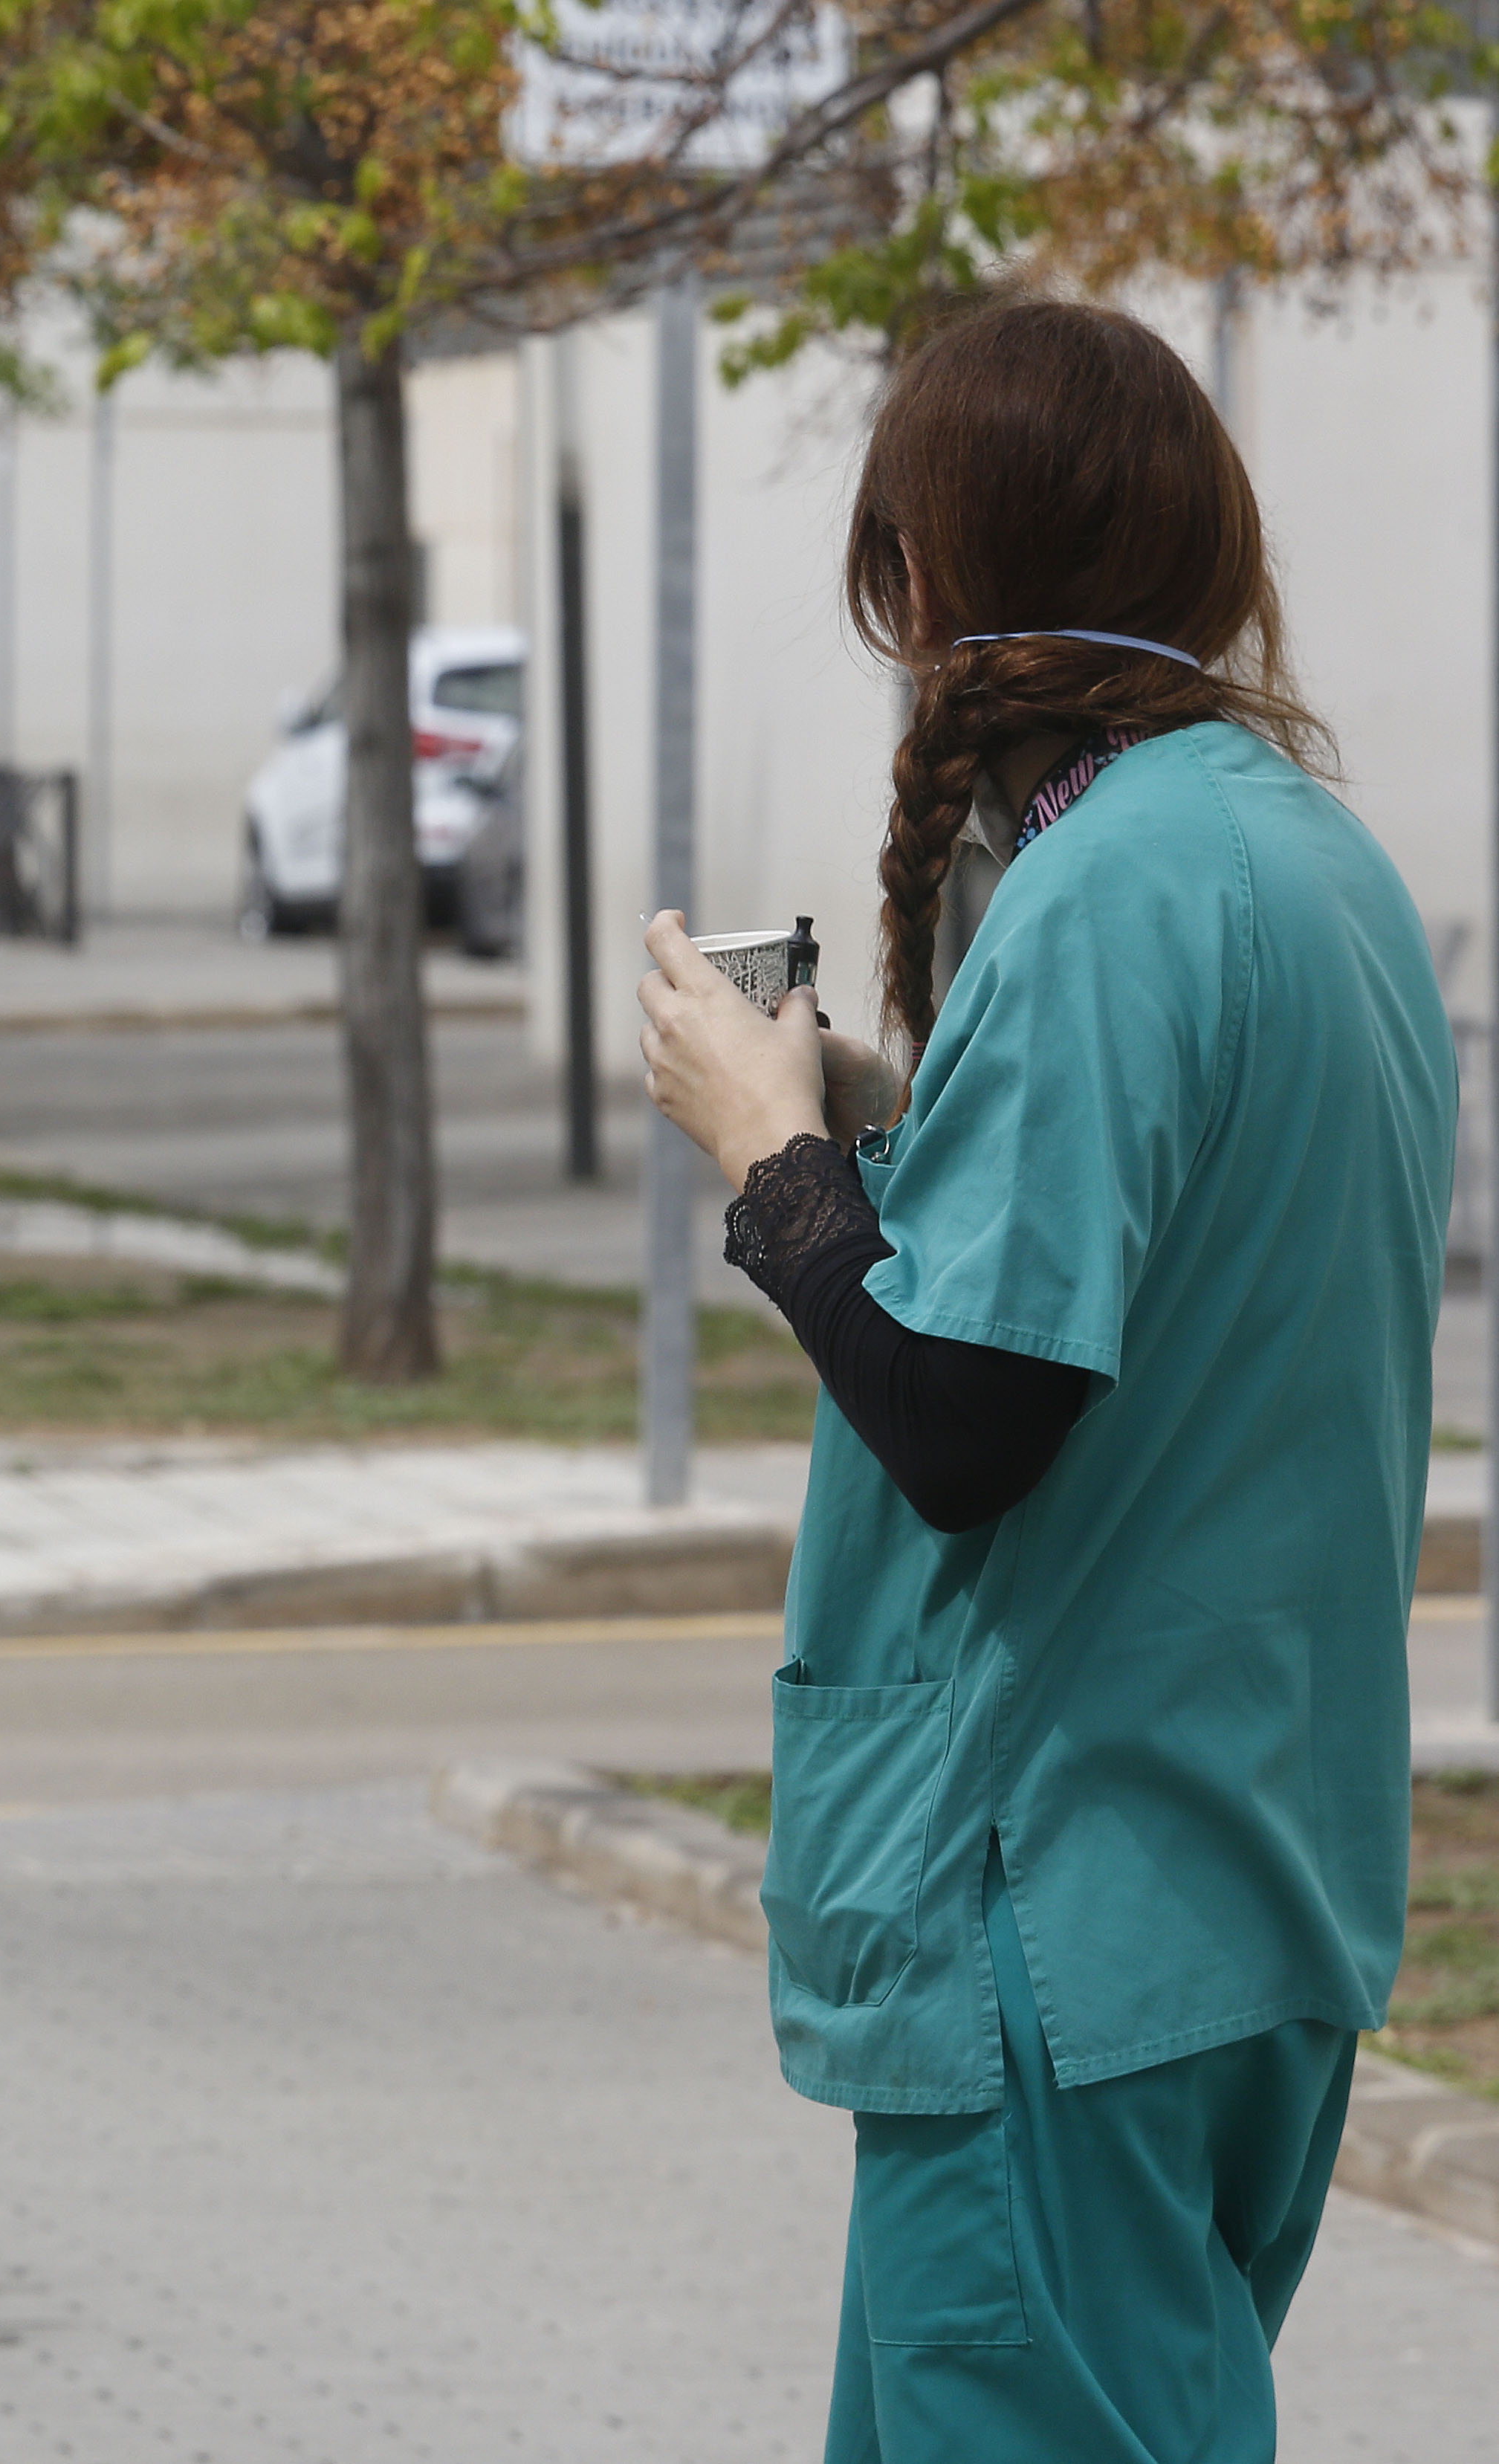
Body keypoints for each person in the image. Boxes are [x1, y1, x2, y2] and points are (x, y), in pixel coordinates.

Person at [636, 297, 1454, 2463]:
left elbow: (963, 1422)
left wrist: (765, 1146)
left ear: (913, 582)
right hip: (1242, 1901)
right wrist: (879, 1112)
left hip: (1052, 1930)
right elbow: (1147, 1272)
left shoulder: (1105, 889)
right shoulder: (1308, 856)